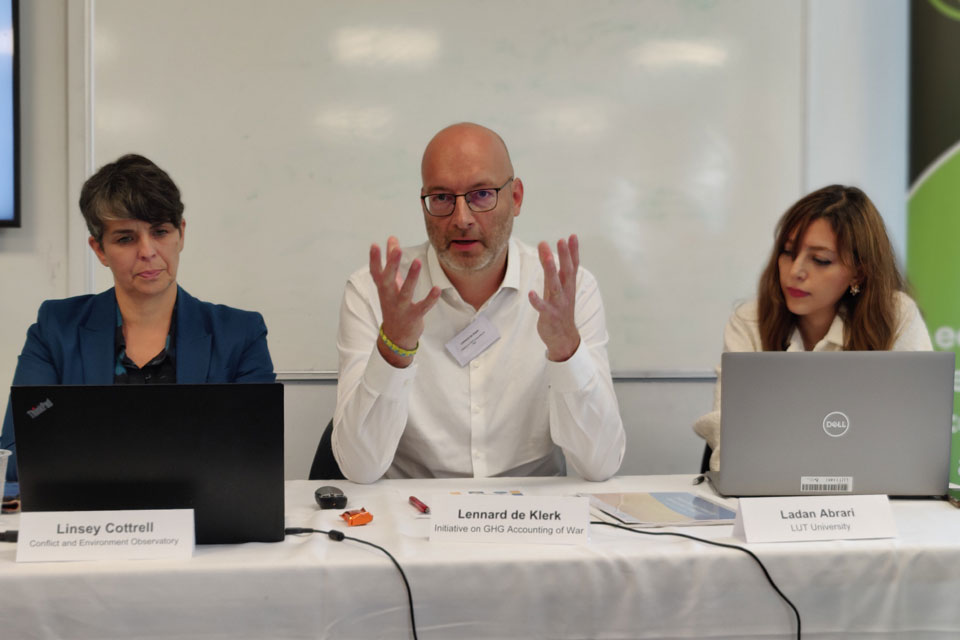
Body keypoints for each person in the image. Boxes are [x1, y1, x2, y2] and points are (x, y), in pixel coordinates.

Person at [333, 123, 625, 483]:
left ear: (515, 197)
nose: (462, 219)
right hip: (414, 517)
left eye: (482, 194)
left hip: (532, 516)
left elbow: (602, 465)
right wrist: (394, 348)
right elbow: (359, 470)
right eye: (441, 198)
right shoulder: (375, 292)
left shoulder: (567, 291)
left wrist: (567, 349)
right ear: (423, 203)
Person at [0, 154, 275, 482]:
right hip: (89, 523)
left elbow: (258, 458)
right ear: (100, 249)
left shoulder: (240, 334)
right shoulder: (56, 329)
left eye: (160, 231)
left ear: (180, 234)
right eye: (126, 238)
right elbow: (16, 455)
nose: (147, 251)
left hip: (203, 524)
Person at [693, 185, 932, 472]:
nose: (795, 271)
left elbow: (914, 437)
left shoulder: (896, 315)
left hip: (874, 498)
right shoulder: (750, 320)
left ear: (859, 271)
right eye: (788, 253)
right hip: (771, 496)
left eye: (820, 260)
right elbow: (729, 436)